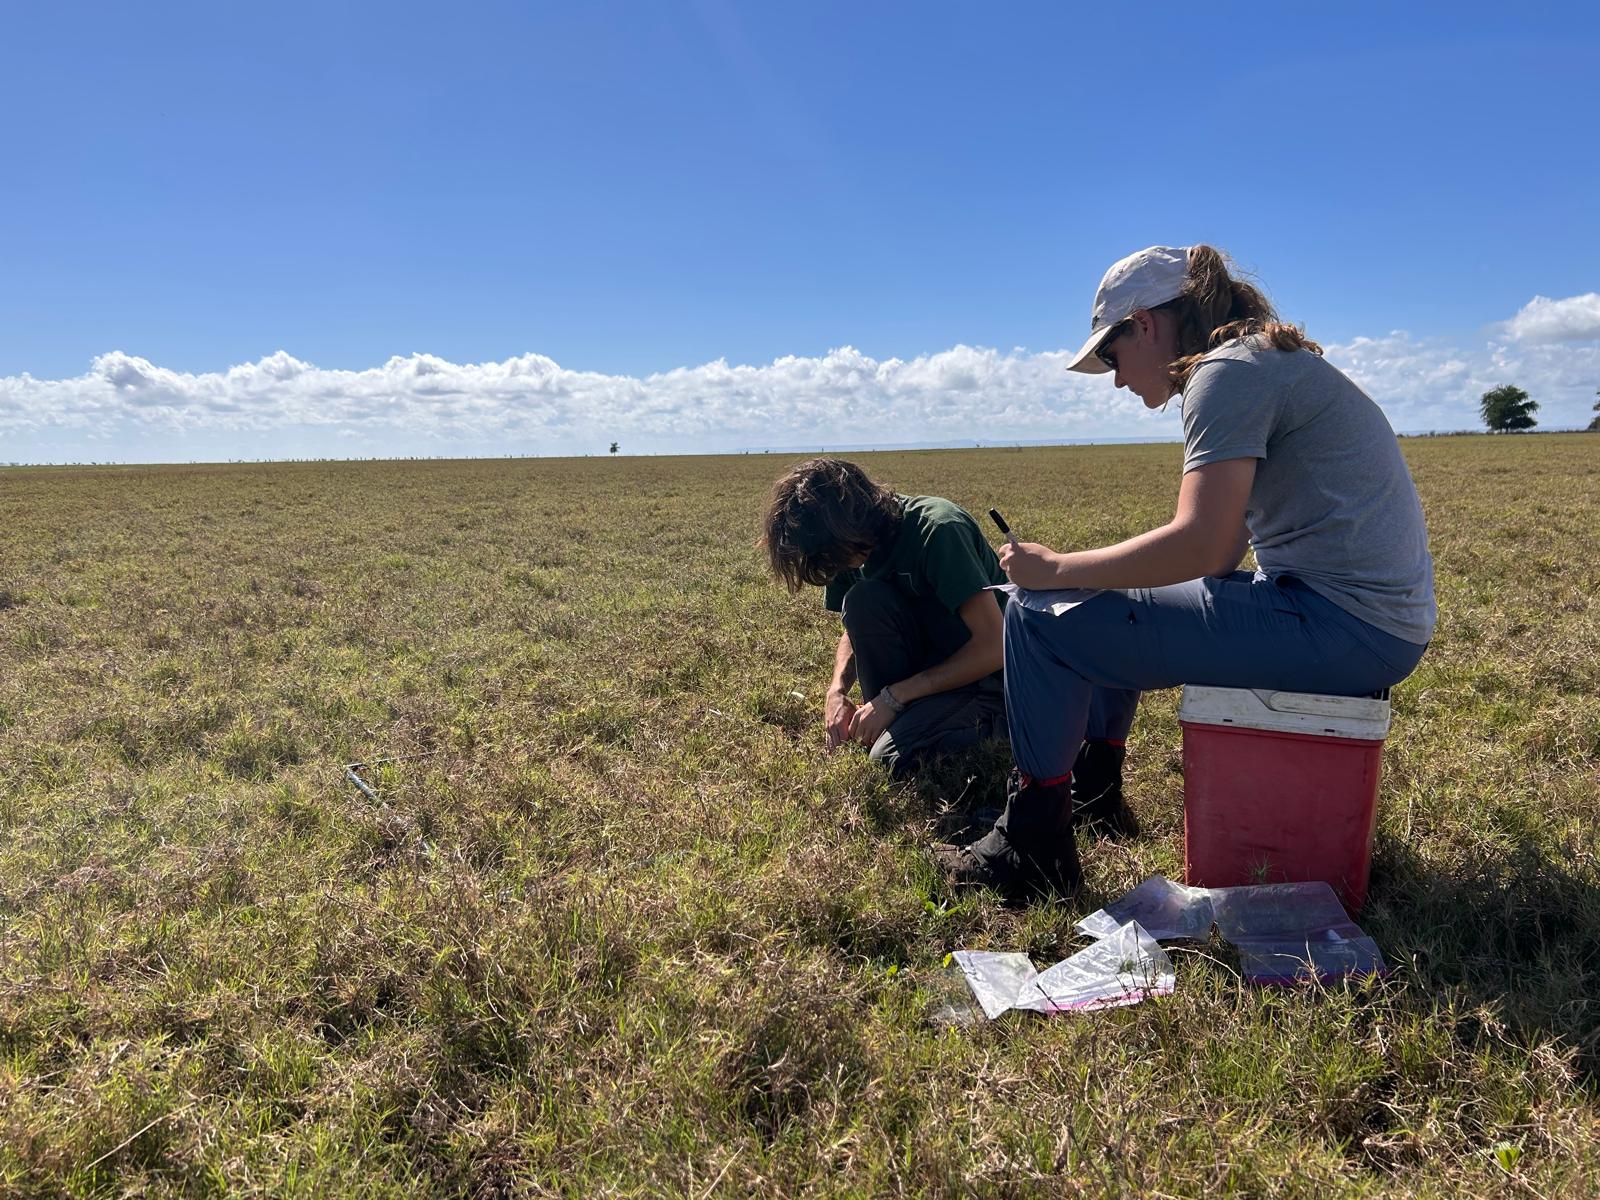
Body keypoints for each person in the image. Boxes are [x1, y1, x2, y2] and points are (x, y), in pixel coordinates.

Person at [938, 245, 1436, 903]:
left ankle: (1032, 846)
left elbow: (1206, 547)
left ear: (1144, 324)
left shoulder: (1226, 372)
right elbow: (1209, 549)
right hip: (1367, 621)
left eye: (1112, 357)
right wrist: (1081, 574)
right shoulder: (1257, 358)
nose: (1116, 379)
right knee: (1103, 592)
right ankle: (1095, 794)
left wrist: (1054, 568)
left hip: (1343, 625)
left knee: (1037, 616)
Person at [760, 457, 1008, 776]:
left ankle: (1003, 725)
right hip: (924, 678)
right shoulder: (849, 550)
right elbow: (853, 630)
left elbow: (994, 646)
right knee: (862, 599)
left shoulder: (938, 530)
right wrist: (836, 692)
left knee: (889, 759)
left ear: (850, 524)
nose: (830, 566)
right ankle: (905, 720)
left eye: (828, 556)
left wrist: (894, 697)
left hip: (988, 679)